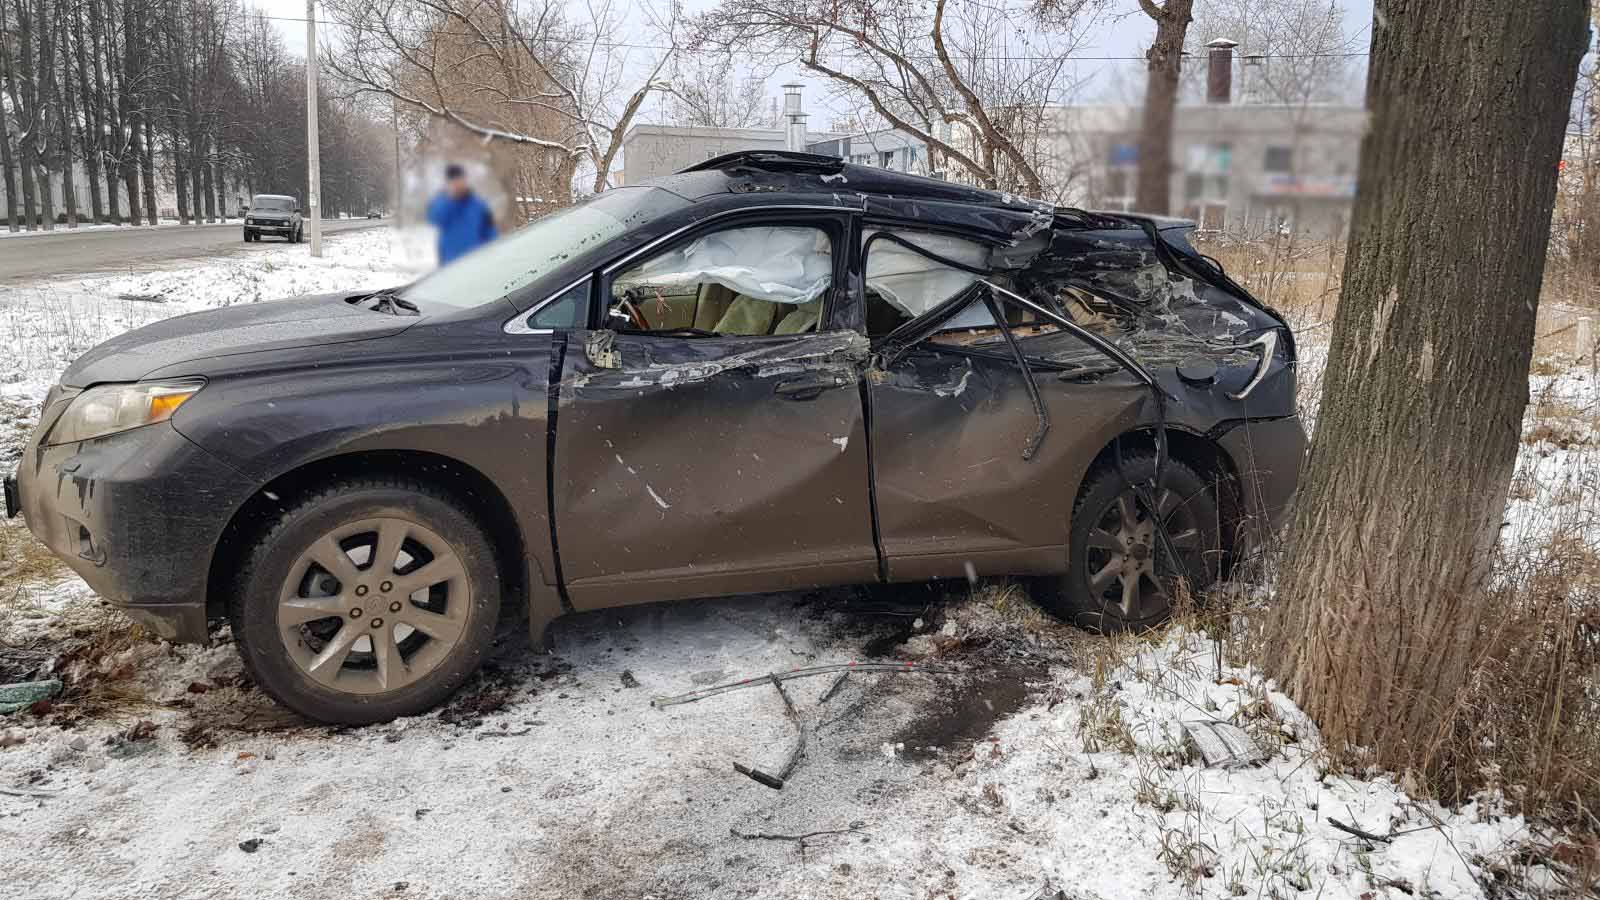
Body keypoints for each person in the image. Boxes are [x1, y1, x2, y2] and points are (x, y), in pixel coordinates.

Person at [427, 164, 497, 265]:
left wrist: (492, 254)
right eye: (453, 181)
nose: (457, 184)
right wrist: (451, 200)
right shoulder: (441, 202)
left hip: (475, 261)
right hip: (450, 263)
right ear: (448, 183)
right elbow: (434, 219)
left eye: (459, 179)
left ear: (465, 180)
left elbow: (490, 230)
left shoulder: (478, 204)